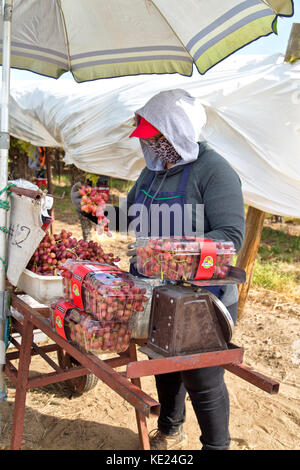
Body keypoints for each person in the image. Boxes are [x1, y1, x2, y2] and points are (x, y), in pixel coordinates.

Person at [71, 89, 245, 450]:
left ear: (177, 133)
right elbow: (130, 215)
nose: (149, 147)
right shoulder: (152, 173)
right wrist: (93, 209)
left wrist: (173, 251)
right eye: (148, 141)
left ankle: (217, 446)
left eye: (155, 139)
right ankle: (170, 428)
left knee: (201, 376)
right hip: (155, 292)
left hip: (201, 298)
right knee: (163, 361)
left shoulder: (214, 170)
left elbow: (230, 236)